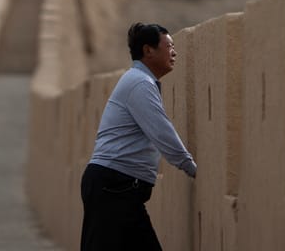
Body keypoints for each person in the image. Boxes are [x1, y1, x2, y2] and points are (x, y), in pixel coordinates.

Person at [80, 22, 197, 251]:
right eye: (169, 46)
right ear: (148, 50)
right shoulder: (139, 83)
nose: (174, 52)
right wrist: (191, 167)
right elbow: (162, 132)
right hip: (114, 186)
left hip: (116, 187)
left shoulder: (139, 81)